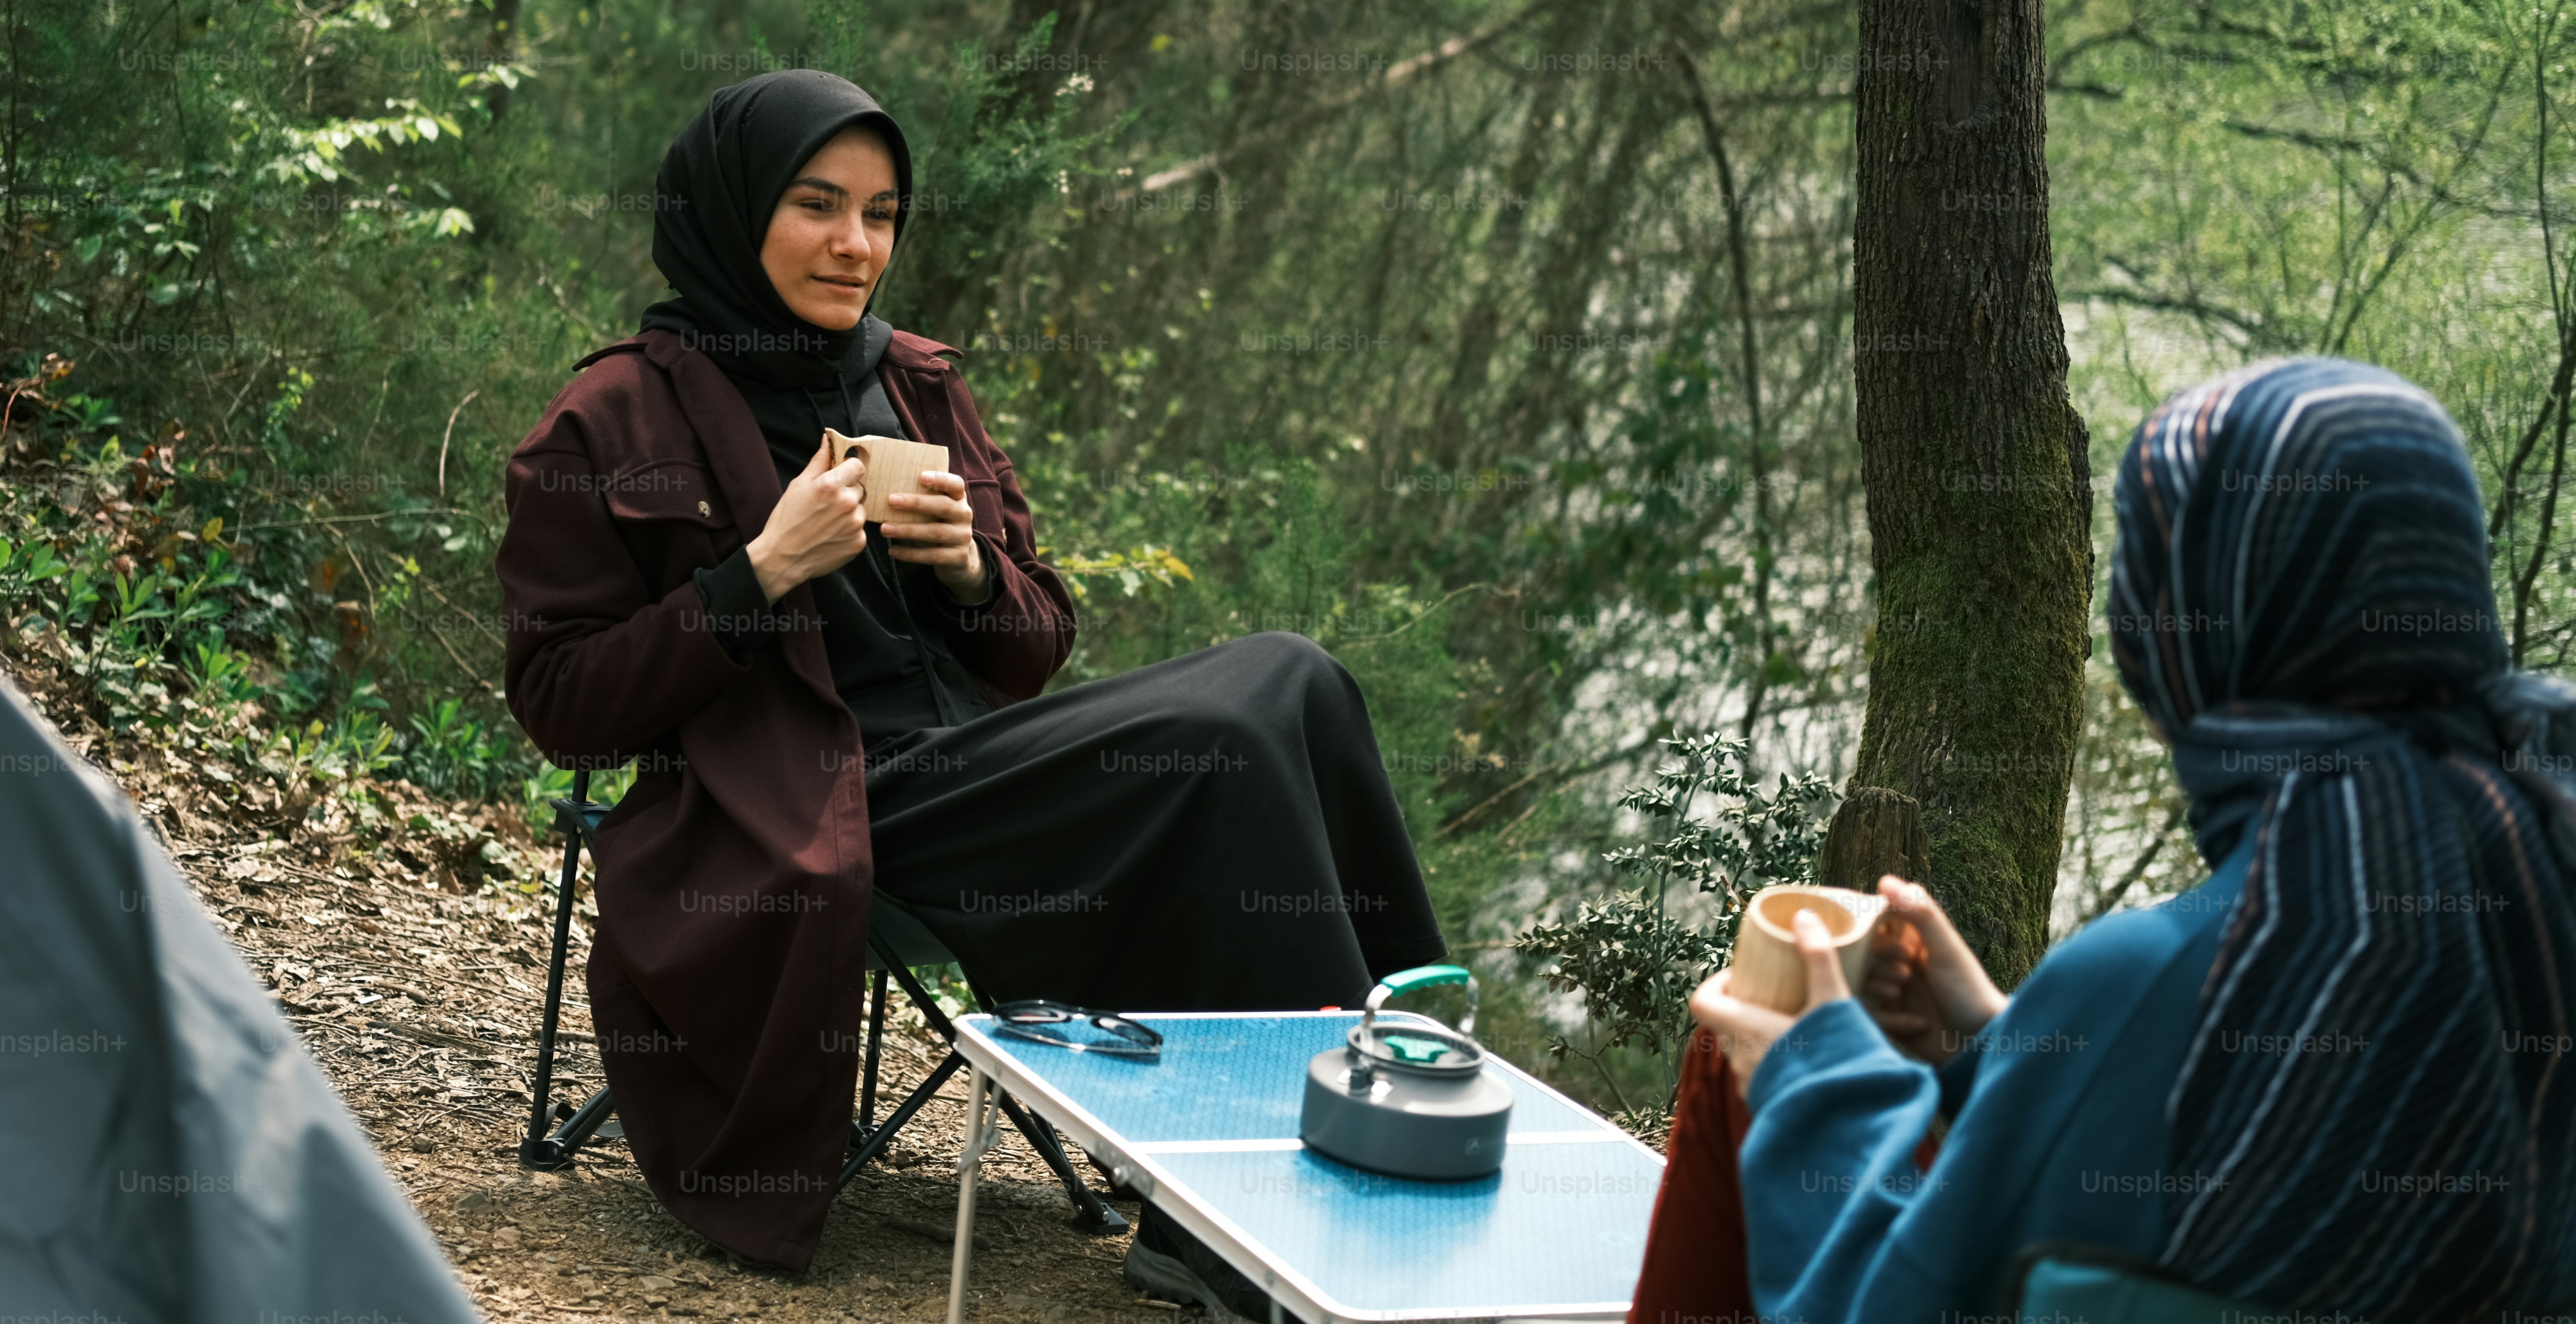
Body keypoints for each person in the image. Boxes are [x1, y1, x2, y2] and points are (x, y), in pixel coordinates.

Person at [494, 69, 1443, 1298]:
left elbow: (1037, 638)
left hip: (971, 768)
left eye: (882, 214)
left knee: (1296, 680)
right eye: (818, 205)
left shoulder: (915, 382)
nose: (856, 246)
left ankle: (1407, 1090)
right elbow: (562, 701)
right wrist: (761, 574)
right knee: (1222, 746)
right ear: (733, 210)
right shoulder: (610, 415)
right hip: (795, 796)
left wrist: (967, 572)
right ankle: (1249, 1210)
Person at [1647, 356, 2576, 1323]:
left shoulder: (2163, 974)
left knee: (1737, 1063)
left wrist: (1814, 1087)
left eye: (2143, 557)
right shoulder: (2536, 865)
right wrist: (2018, 1039)